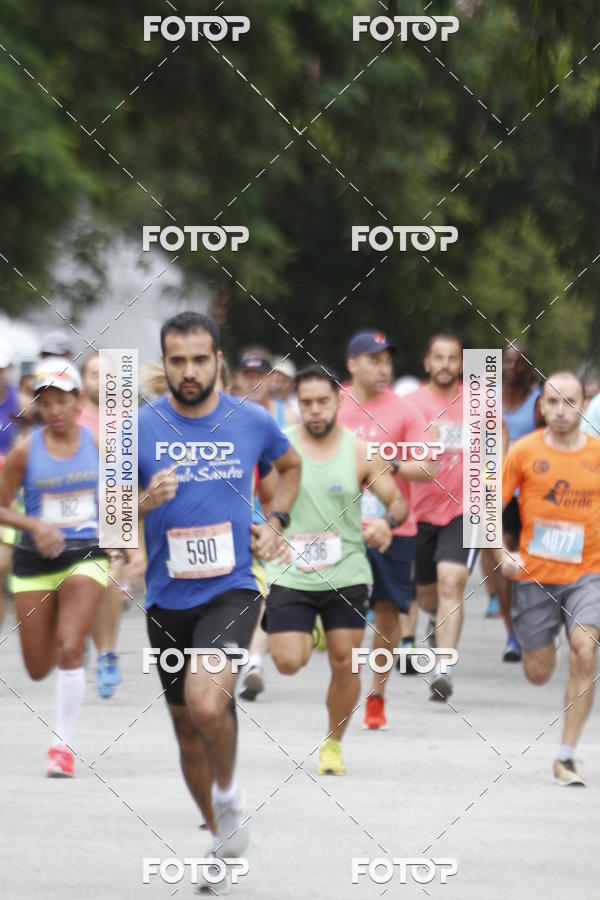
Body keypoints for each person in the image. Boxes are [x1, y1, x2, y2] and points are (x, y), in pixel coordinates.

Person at [138, 312, 301, 873]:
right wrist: (140, 504)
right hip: (165, 598)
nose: (188, 371)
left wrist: (275, 521)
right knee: (186, 729)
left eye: (199, 359)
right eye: (177, 360)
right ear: (165, 363)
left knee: (208, 699)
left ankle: (228, 796)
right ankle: (217, 839)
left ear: (217, 361)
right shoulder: (138, 427)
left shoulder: (251, 421)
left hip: (232, 588)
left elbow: (289, 464)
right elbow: (107, 517)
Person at [265, 366, 408, 772]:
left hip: (345, 570)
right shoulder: (279, 448)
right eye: (306, 402)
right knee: (288, 662)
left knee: (346, 660)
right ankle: (310, 629)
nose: (314, 410)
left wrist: (387, 522)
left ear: (338, 401)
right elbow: (254, 492)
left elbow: (397, 502)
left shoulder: (360, 450)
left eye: (322, 401)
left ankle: (333, 744)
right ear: (297, 404)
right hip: (291, 570)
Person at [0, 357, 108, 777]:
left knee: (66, 649)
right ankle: (70, 642)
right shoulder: (25, 451)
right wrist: (33, 523)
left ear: (79, 401)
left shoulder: (97, 445)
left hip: (86, 554)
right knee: (37, 665)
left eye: (62, 400)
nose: (55, 410)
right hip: (33, 562)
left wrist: (129, 546)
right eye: (46, 403)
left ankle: (61, 745)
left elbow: (120, 499)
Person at [499, 371, 600, 786]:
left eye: (570, 402)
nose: (561, 411)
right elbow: (487, 510)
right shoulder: (523, 452)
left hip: (588, 573)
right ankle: (549, 637)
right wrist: (500, 552)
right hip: (536, 576)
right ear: (542, 406)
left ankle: (566, 755)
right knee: (538, 672)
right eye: (553, 402)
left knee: (585, 650)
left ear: (584, 406)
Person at [337, 330, 435, 729]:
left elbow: (427, 468)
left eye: (387, 360)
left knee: (387, 612)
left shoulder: (406, 411)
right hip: (342, 525)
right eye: (374, 359)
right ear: (352, 364)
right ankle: (343, 686)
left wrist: (384, 466)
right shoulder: (334, 405)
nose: (383, 368)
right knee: (343, 613)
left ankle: (376, 694)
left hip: (396, 525)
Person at [408, 335, 476, 701]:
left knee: (452, 581)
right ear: (427, 362)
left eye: (454, 358)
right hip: (419, 511)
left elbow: (499, 441)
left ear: (462, 364)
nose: (446, 364)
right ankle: (435, 621)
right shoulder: (411, 404)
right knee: (427, 593)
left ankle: (443, 668)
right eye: (440, 357)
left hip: (463, 508)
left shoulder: (478, 402)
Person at [237, 349, 299, 700]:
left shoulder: (286, 416)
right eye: (247, 374)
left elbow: (294, 468)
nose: (254, 380)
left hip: (271, 513)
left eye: (260, 373)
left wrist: (286, 519)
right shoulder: (228, 414)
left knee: (263, 590)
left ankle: (255, 661)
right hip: (238, 514)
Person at [498, 345, 545, 662]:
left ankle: (537, 625)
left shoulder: (540, 403)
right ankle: (512, 635)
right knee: (503, 561)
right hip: (498, 493)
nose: (513, 366)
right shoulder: (488, 400)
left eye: (520, 361)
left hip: (531, 495)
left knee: (532, 562)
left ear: (531, 368)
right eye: (508, 360)